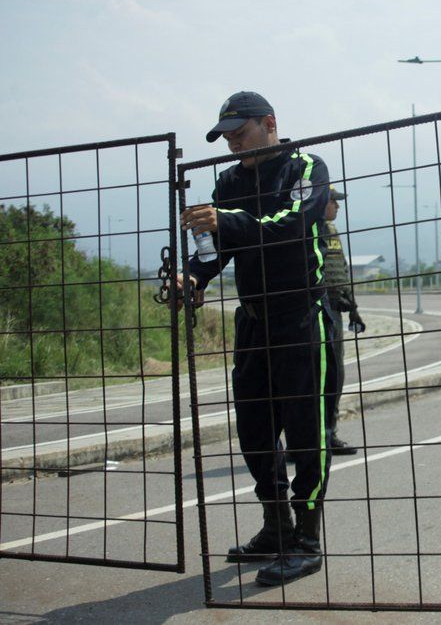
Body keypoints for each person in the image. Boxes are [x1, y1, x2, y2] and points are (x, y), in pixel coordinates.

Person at [177, 91, 335, 585]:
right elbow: (217, 249)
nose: (231, 146)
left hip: (302, 316)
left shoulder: (306, 167)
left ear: (270, 123)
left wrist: (227, 221)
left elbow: (290, 226)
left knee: (308, 433)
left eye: (239, 135)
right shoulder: (229, 181)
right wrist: (192, 278)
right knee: (254, 431)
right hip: (253, 322)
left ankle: (307, 540)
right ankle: (277, 527)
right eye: (225, 137)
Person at [323, 186, 365, 456]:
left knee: (335, 374)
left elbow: (340, 269)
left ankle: (329, 434)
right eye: (333, 202)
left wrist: (353, 307)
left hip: (335, 310)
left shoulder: (332, 231)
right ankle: (306, 439)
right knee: (317, 376)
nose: (337, 207)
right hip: (316, 309)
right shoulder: (308, 228)